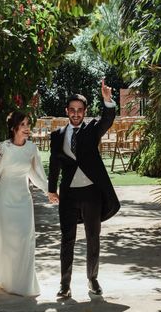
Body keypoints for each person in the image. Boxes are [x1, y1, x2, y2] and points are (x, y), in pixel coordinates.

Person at [47, 79, 120, 298]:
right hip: (68, 194)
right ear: (67, 111)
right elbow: (54, 163)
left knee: (92, 238)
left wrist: (107, 100)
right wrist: (52, 189)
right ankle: (64, 285)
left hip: (91, 193)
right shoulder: (57, 135)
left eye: (80, 110)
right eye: (72, 110)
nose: (76, 114)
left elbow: (108, 118)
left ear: (85, 111)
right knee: (66, 238)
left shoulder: (92, 130)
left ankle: (93, 279)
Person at [0, 111, 49, 297]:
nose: (27, 128)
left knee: (25, 239)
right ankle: (7, 281)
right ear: (14, 127)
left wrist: (50, 192)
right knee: (7, 242)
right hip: (4, 199)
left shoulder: (32, 148)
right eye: (23, 124)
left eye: (28, 124)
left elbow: (35, 174)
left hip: (23, 199)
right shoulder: (3, 147)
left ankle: (24, 284)